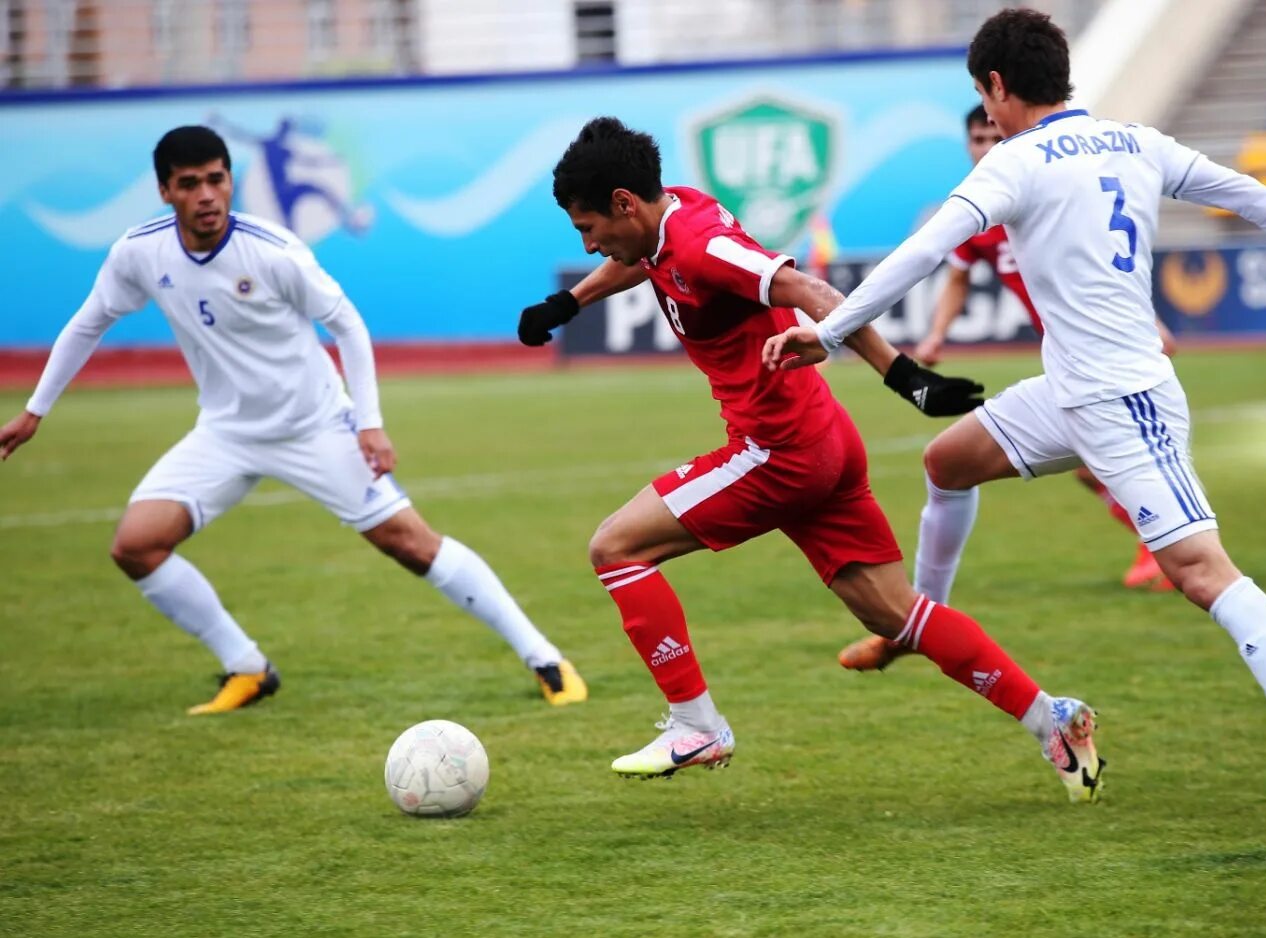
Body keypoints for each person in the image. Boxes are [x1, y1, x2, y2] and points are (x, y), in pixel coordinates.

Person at [762, 9, 1266, 829]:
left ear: (995, 88)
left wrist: (829, 330)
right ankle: (920, 624)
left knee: (1201, 572)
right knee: (947, 462)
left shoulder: (1014, 162)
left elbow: (924, 251)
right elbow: (1250, 194)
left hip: (1125, 398)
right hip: (1071, 390)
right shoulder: (1136, 141)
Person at [517, 117, 1104, 802]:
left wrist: (904, 375)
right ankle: (1053, 720)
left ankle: (695, 724)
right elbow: (639, 259)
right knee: (897, 618)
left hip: (776, 452)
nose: (589, 245)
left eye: (589, 228)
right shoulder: (664, 216)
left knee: (615, 549)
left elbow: (814, 295)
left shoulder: (703, 246)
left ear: (624, 202)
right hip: (823, 439)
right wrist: (568, 301)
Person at [0, 125, 585, 713]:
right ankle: (247, 667)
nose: (206, 195)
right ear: (164, 191)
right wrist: (33, 412)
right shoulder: (140, 252)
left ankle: (545, 658)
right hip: (226, 433)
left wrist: (368, 422)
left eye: (215, 179)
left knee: (409, 543)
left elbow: (348, 325)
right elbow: (88, 322)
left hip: (316, 426)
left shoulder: (272, 251)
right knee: (135, 545)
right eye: (189, 184)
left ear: (230, 180)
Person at [913, 104, 1178, 598]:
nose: (985, 148)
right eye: (976, 140)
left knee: (1098, 461)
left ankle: (1170, 547)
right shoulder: (974, 210)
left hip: (1104, 343)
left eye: (993, 137)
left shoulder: (1042, 179)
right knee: (1089, 467)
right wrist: (935, 335)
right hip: (1069, 353)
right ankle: (1169, 542)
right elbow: (955, 278)